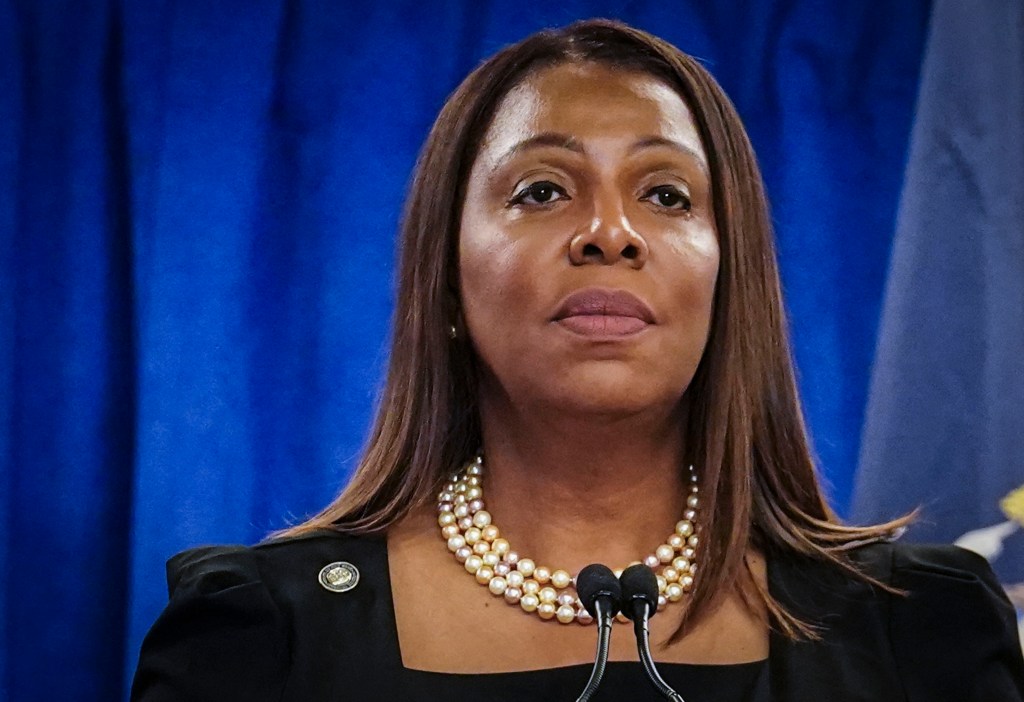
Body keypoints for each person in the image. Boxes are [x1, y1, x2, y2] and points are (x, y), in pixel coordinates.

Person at [130, 19, 1024, 702]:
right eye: (543, 190)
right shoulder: (258, 638)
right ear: (444, 280)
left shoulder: (921, 632)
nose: (609, 233)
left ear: (730, 281)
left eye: (666, 194)